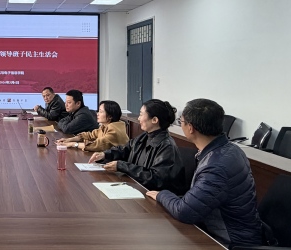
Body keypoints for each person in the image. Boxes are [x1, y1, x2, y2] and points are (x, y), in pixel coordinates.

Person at [146, 99, 264, 248]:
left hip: (230, 242)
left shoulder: (216, 167)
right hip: (232, 231)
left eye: (181, 121)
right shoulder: (230, 149)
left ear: (190, 128)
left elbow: (185, 212)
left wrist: (162, 194)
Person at [88, 99, 185, 194]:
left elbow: (156, 178)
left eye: (141, 114)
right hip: (137, 187)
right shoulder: (145, 136)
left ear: (154, 120)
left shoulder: (167, 146)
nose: (138, 118)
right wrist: (104, 155)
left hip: (154, 196)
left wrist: (122, 166)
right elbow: (124, 149)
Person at [56, 100, 129, 151]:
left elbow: (96, 145)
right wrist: (69, 140)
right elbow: (90, 135)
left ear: (110, 116)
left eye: (101, 112)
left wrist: (73, 144)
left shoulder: (114, 131)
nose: (97, 114)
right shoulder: (105, 126)